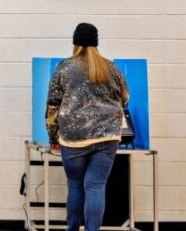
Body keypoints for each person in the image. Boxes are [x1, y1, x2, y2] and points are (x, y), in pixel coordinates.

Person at [45, 22, 129, 231]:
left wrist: (53, 136)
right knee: (95, 186)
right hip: (107, 136)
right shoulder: (111, 68)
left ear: (75, 43)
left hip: (73, 137)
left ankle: (72, 228)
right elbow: (124, 98)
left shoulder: (64, 67)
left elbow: (53, 105)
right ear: (95, 43)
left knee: (75, 186)